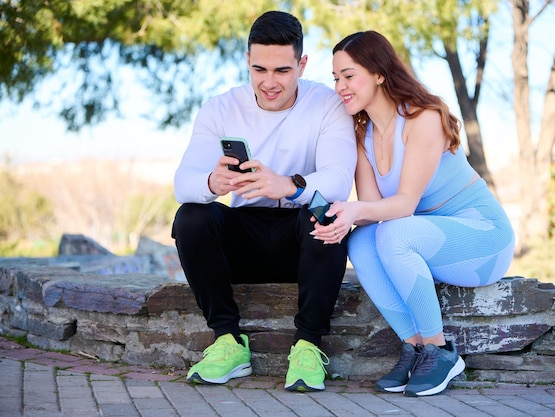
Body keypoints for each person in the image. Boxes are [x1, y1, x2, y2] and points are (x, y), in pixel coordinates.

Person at [314, 30, 515, 397]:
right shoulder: (362, 136)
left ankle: (440, 351)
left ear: (378, 73)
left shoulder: (423, 118)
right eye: (336, 78)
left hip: (483, 240)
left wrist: (358, 209)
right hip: (428, 238)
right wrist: (340, 217)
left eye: (349, 75)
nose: (340, 86)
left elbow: (403, 205)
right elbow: (373, 211)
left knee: (394, 233)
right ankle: (416, 345)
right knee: (360, 242)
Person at [171, 11, 356, 393]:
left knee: (326, 213)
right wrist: (212, 181)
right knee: (190, 217)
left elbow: (339, 179)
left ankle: (307, 347)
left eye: (282, 71)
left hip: (302, 240)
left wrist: (287, 185)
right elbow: (183, 183)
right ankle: (228, 342)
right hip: (242, 240)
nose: (269, 82)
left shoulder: (327, 103)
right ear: (247, 61)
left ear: (302, 64)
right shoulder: (220, 108)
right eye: (259, 69)